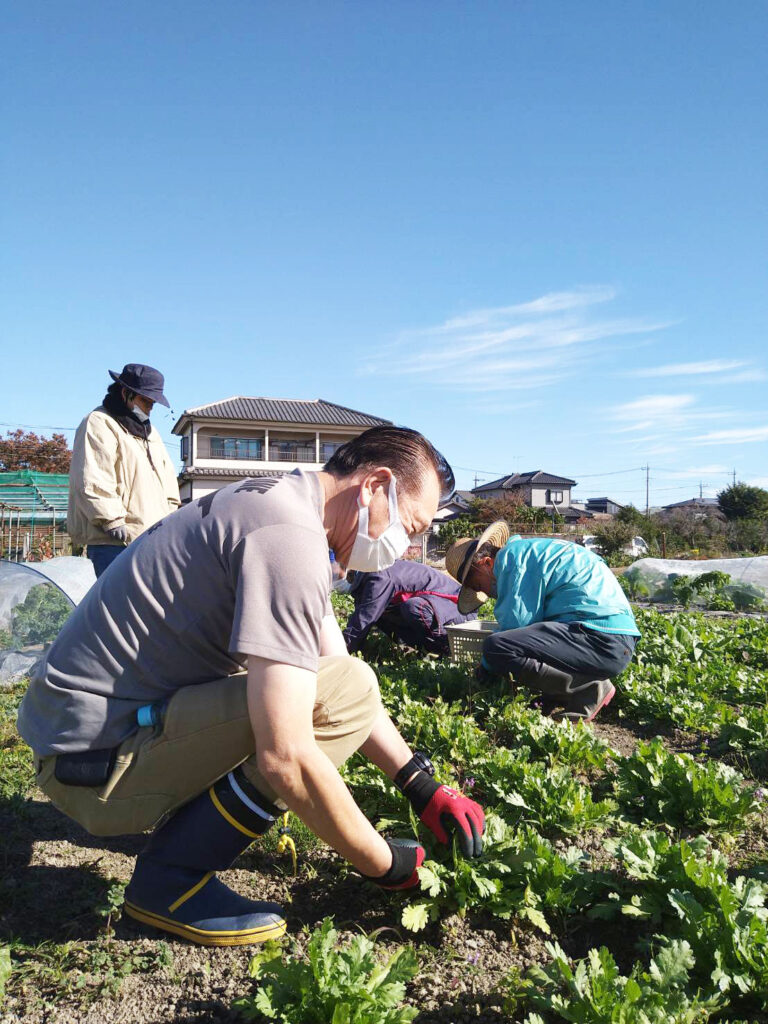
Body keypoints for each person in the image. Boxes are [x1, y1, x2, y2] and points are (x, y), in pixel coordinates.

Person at [18, 426, 485, 947]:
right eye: (410, 526)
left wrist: (421, 785)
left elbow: (336, 664)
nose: (407, 546)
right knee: (315, 712)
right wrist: (383, 863)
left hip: (79, 740)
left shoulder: (283, 503)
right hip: (92, 767)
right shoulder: (288, 537)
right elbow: (285, 756)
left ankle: (175, 854)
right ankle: (170, 881)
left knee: (339, 684)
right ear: (374, 485)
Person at [445, 521, 640, 722]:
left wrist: (483, 672)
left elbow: (516, 627)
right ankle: (556, 695)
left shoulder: (513, 561)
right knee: (530, 640)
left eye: (478, 585)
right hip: (613, 638)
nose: (484, 592)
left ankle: (587, 690)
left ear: (486, 563)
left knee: (497, 647)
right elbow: (536, 637)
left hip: (601, 639)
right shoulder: (528, 553)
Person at [67, 364, 181, 577]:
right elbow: (93, 476)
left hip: (150, 536)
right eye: (145, 400)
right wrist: (112, 520)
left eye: (152, 402)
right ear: (125, 393)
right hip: (114, 540)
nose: (150, 407)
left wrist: (171, 516)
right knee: (119, 607)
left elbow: (167, 480)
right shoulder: (100, 422)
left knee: (146, 606)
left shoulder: (150, 433)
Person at [343, 559, 477, 655]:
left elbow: (364, 618)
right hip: (441, 609)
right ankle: (422, 649)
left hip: (460, 609)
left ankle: (448, 649)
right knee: (382, 613)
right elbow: (360, 618)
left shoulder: (379, 577)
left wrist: (340, 651)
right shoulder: (367, 578)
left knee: (414, 607)